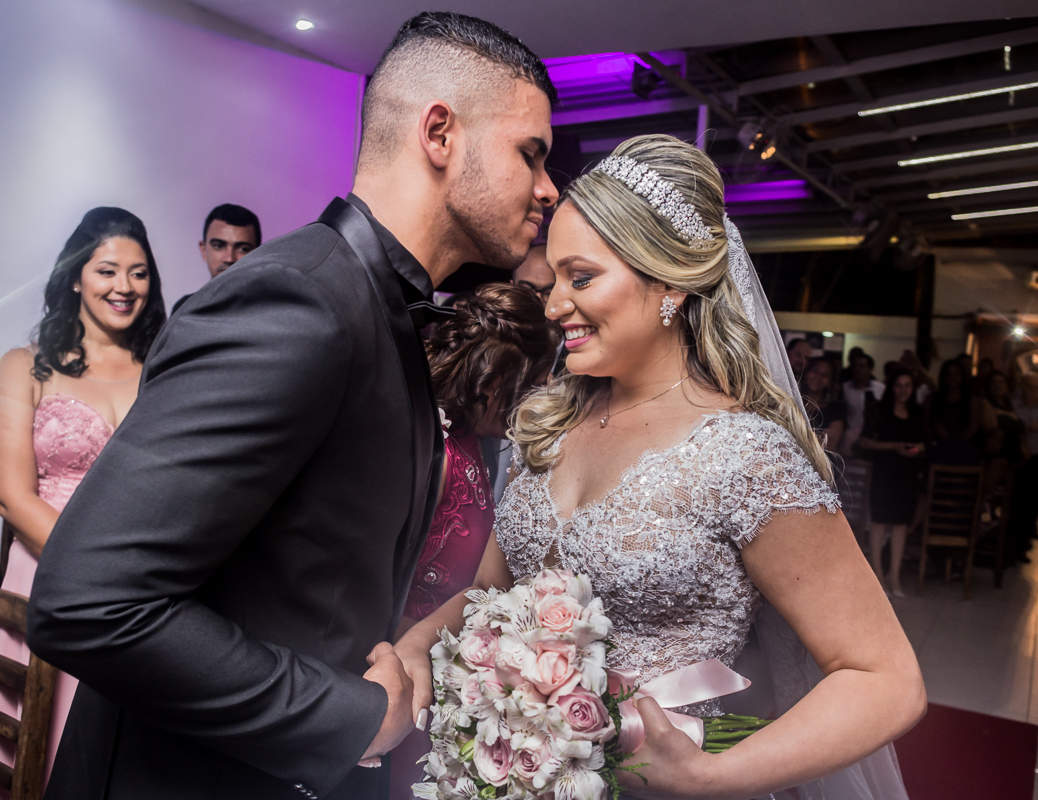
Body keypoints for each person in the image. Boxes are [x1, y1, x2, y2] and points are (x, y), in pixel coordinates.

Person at [26, 12, 558, 800]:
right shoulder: (300, 301)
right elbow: (88, 602)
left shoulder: (381, 308)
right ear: (439, 133)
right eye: (531, 154)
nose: (548, 187)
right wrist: (347, 716)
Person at [396, 134, 921, 800]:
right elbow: (489, 596)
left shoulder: (743, 453)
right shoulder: (547, 421)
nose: (555, 305)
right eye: (554, 277)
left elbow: (885, 678)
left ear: (669, 283)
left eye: (580, 278)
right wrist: (421, 643)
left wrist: (715, 773)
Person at [0, 207, 165, 781]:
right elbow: (12, 496)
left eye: (139, 273)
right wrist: (91, 575)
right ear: (75, 276)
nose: (124, 287)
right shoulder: (26, 367)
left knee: (112, 761)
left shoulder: (164, 372)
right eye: (107, 270)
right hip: (45, 574)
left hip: (138, 590)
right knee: (31, 753)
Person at [389, 282, 559, 799]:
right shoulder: (430, 449)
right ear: (496, 378)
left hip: (447, 674)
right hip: (406, 679)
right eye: (533, 385)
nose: (540, 399)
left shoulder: (467, 441)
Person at [858, 368, 926, 597]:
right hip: (884, 471)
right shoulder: (880, 410)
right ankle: (877, 574)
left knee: (900, 525)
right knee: (879, 522)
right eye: (899, 385)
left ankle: (893, 575)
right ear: (892, 387)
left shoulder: (917, 412)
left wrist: (915, 450)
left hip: (907, 472)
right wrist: (894, 446)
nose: (903, 390)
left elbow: (924, 443)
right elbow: (864, 442)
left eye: (908, 385)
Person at [170, 203, 262, 313]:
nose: (229, 258)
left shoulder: (275, 309)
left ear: (258, 253)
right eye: (218, 246)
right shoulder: (184, 310)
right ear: (204, 250)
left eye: (243, 249)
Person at [925, 358, 980, 465]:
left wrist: (953, 441)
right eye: (948, 374)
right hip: (937, 445)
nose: (952, 378)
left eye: (956, 374)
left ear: (962, 376)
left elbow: (973, 428)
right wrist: (933, 439)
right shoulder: (933, 398)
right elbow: (926, 423)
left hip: (964, 446)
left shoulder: (972, 400)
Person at [841, 351, 885, 457]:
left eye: (862, 366)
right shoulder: (844, 388)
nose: (857, 369)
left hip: (872, 438)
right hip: (849, 437)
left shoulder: (880, 388)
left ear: (870, 370)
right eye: (855, 366)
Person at [800, 356, 845, 452]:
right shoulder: (792, 404)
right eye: (815, 371)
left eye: (825, 375)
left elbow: (828, 446)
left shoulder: (835, 411)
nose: (818, 377)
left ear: (830, 382)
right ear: (806, 373)